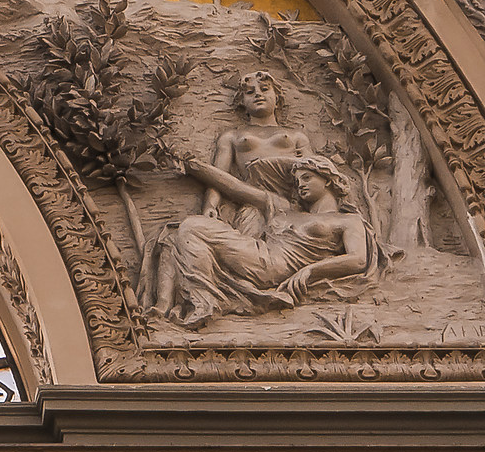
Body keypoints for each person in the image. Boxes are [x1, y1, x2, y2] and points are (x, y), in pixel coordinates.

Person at [151, 154, 380, 329]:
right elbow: (236, 188)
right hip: (258, 254)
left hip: (274, 267)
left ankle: (203, 304)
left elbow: (358, 260)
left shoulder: (348, 220)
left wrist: (310, 271)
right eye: (297, 180)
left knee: (192, 227)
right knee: (175, 234)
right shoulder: (284, 208)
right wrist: (197, 167)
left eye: (307, 177)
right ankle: (161, 309)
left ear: (329, 180)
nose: (300, 184)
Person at [201, 70, 314, 236]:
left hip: (291, 203)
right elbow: (219, 177)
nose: (258, 94)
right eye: (250, 92)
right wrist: (210, 206)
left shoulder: (297, 136)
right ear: (242, 102)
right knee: (247, 244)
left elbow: (315, 171)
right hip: (252, 202)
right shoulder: (232, 137)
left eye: (264, 89)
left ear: (278, 99)